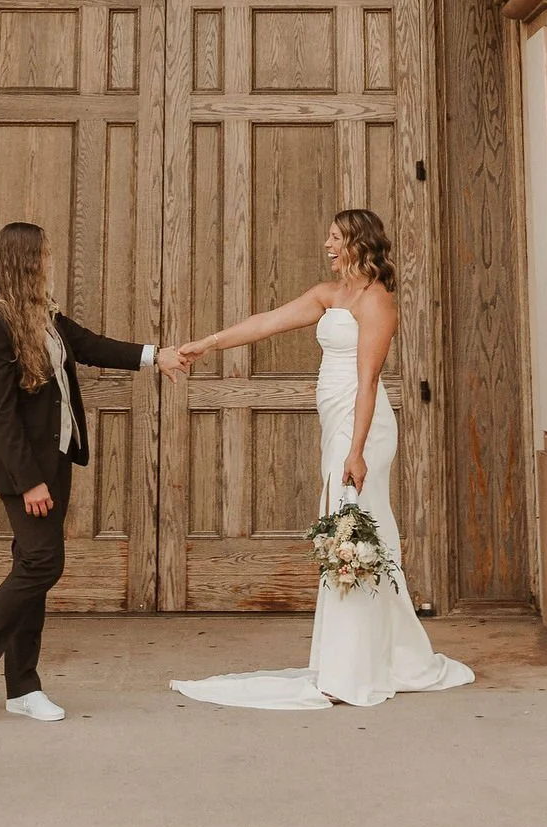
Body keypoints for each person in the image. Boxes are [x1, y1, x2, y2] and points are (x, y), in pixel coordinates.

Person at [169, 207, 475, 710]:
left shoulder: (378, 303)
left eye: (335, 238)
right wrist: (209, 344)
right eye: (328, 238)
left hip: (363, 430)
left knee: (349, 534)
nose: (328, 246)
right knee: (363, 535)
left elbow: (369, 380)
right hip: (337, 424)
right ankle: (387, 655)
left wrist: (355, 450)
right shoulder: (330, 295)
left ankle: (350, 668)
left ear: (359, 242)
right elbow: (268, 322)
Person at [0, 220, 185, 725]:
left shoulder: (45, 317)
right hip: (22, 468)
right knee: (40, 564)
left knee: (31, 566)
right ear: (27, 260)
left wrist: (155, 357)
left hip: (55, 460)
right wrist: (30, 481)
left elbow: (92, 345)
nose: (51, 261)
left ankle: (22, 686)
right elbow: (2, 412)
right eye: (46, 255)